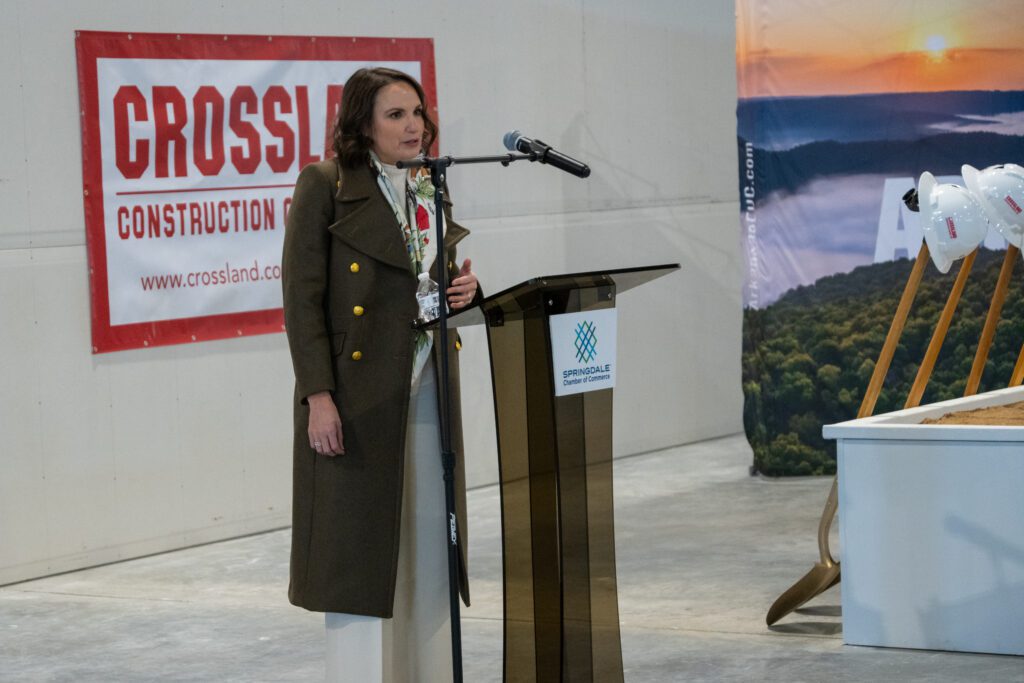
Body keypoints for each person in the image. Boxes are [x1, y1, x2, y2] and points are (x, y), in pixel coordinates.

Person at [281, 67, 480, 682]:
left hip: (427, 389)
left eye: (417, 112)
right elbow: (301, 297)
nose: (413, 125)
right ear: (362, 123)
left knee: (427, 549)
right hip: (354, 397)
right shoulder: (326, 183)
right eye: (396, 115)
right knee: (355, 556)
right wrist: (319, 397)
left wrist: (466, 291)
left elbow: (430, 285)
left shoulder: (428, 186)